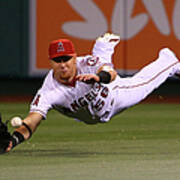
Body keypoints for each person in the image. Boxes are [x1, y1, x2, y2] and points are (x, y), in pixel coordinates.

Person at [4, 33, 180, 153]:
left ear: (75, 57)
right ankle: (103, 46)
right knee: (103, 60)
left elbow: (111, 74)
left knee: (144, 84)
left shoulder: (87, 63)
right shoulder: (49, 92)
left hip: (113, 96)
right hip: (91, 114)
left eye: (66, 58)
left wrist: (98, 78)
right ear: (50, 62)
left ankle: (168, 61)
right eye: (57, 60)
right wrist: (15, 139)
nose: (63, 64)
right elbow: (31, 121)